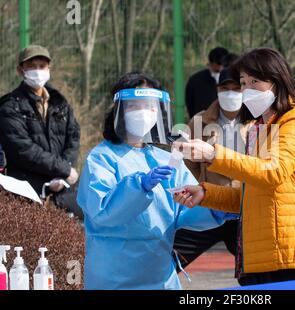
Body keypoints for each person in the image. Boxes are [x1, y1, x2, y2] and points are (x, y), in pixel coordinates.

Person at [173, 48, 295, 286]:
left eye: (254, 82)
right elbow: (250, 195)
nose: (247, 90)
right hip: (260, 257)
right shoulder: (260, 129)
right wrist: (206, 193)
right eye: (243, 83)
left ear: (276, 82)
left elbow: (273, 172)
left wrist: (214, 154)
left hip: (291, 257)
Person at [76, 72, 236, 290]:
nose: (143, 113)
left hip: (160, 277)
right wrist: (138, 186)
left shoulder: (164, 159)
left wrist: (216, 207)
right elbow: (102, 212)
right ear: (119, 111)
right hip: (113, 278)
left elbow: (185, 207)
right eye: (135, 106)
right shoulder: (102, 157)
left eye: (150, 106)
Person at [173, 68, 252, 268]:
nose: (231, 93)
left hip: (244, 209)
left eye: (236, 88)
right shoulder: (200, 120)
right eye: (225, 88)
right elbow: (186, 158)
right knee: (171, 258)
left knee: (253, 271)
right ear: (217, 89)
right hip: (209, 206)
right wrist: (201, 181)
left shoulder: (255, 122)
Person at [0, 45, 81, 217]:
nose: (38, 71)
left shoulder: (61, 103)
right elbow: (23, 150)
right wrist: (64, 170)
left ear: (49, 69)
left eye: (42, 66)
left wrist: (63, 174)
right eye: (32, 66)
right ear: (20, 70)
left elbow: (73, 137)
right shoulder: (10, 107)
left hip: (62, 193)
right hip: (26, 193)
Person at [185, 47, 229, 118]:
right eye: (218, 65)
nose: (221, 69)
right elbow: (190, 104)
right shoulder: (195, 80)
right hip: (201, 121)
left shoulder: (233, 79)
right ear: (211, 63)